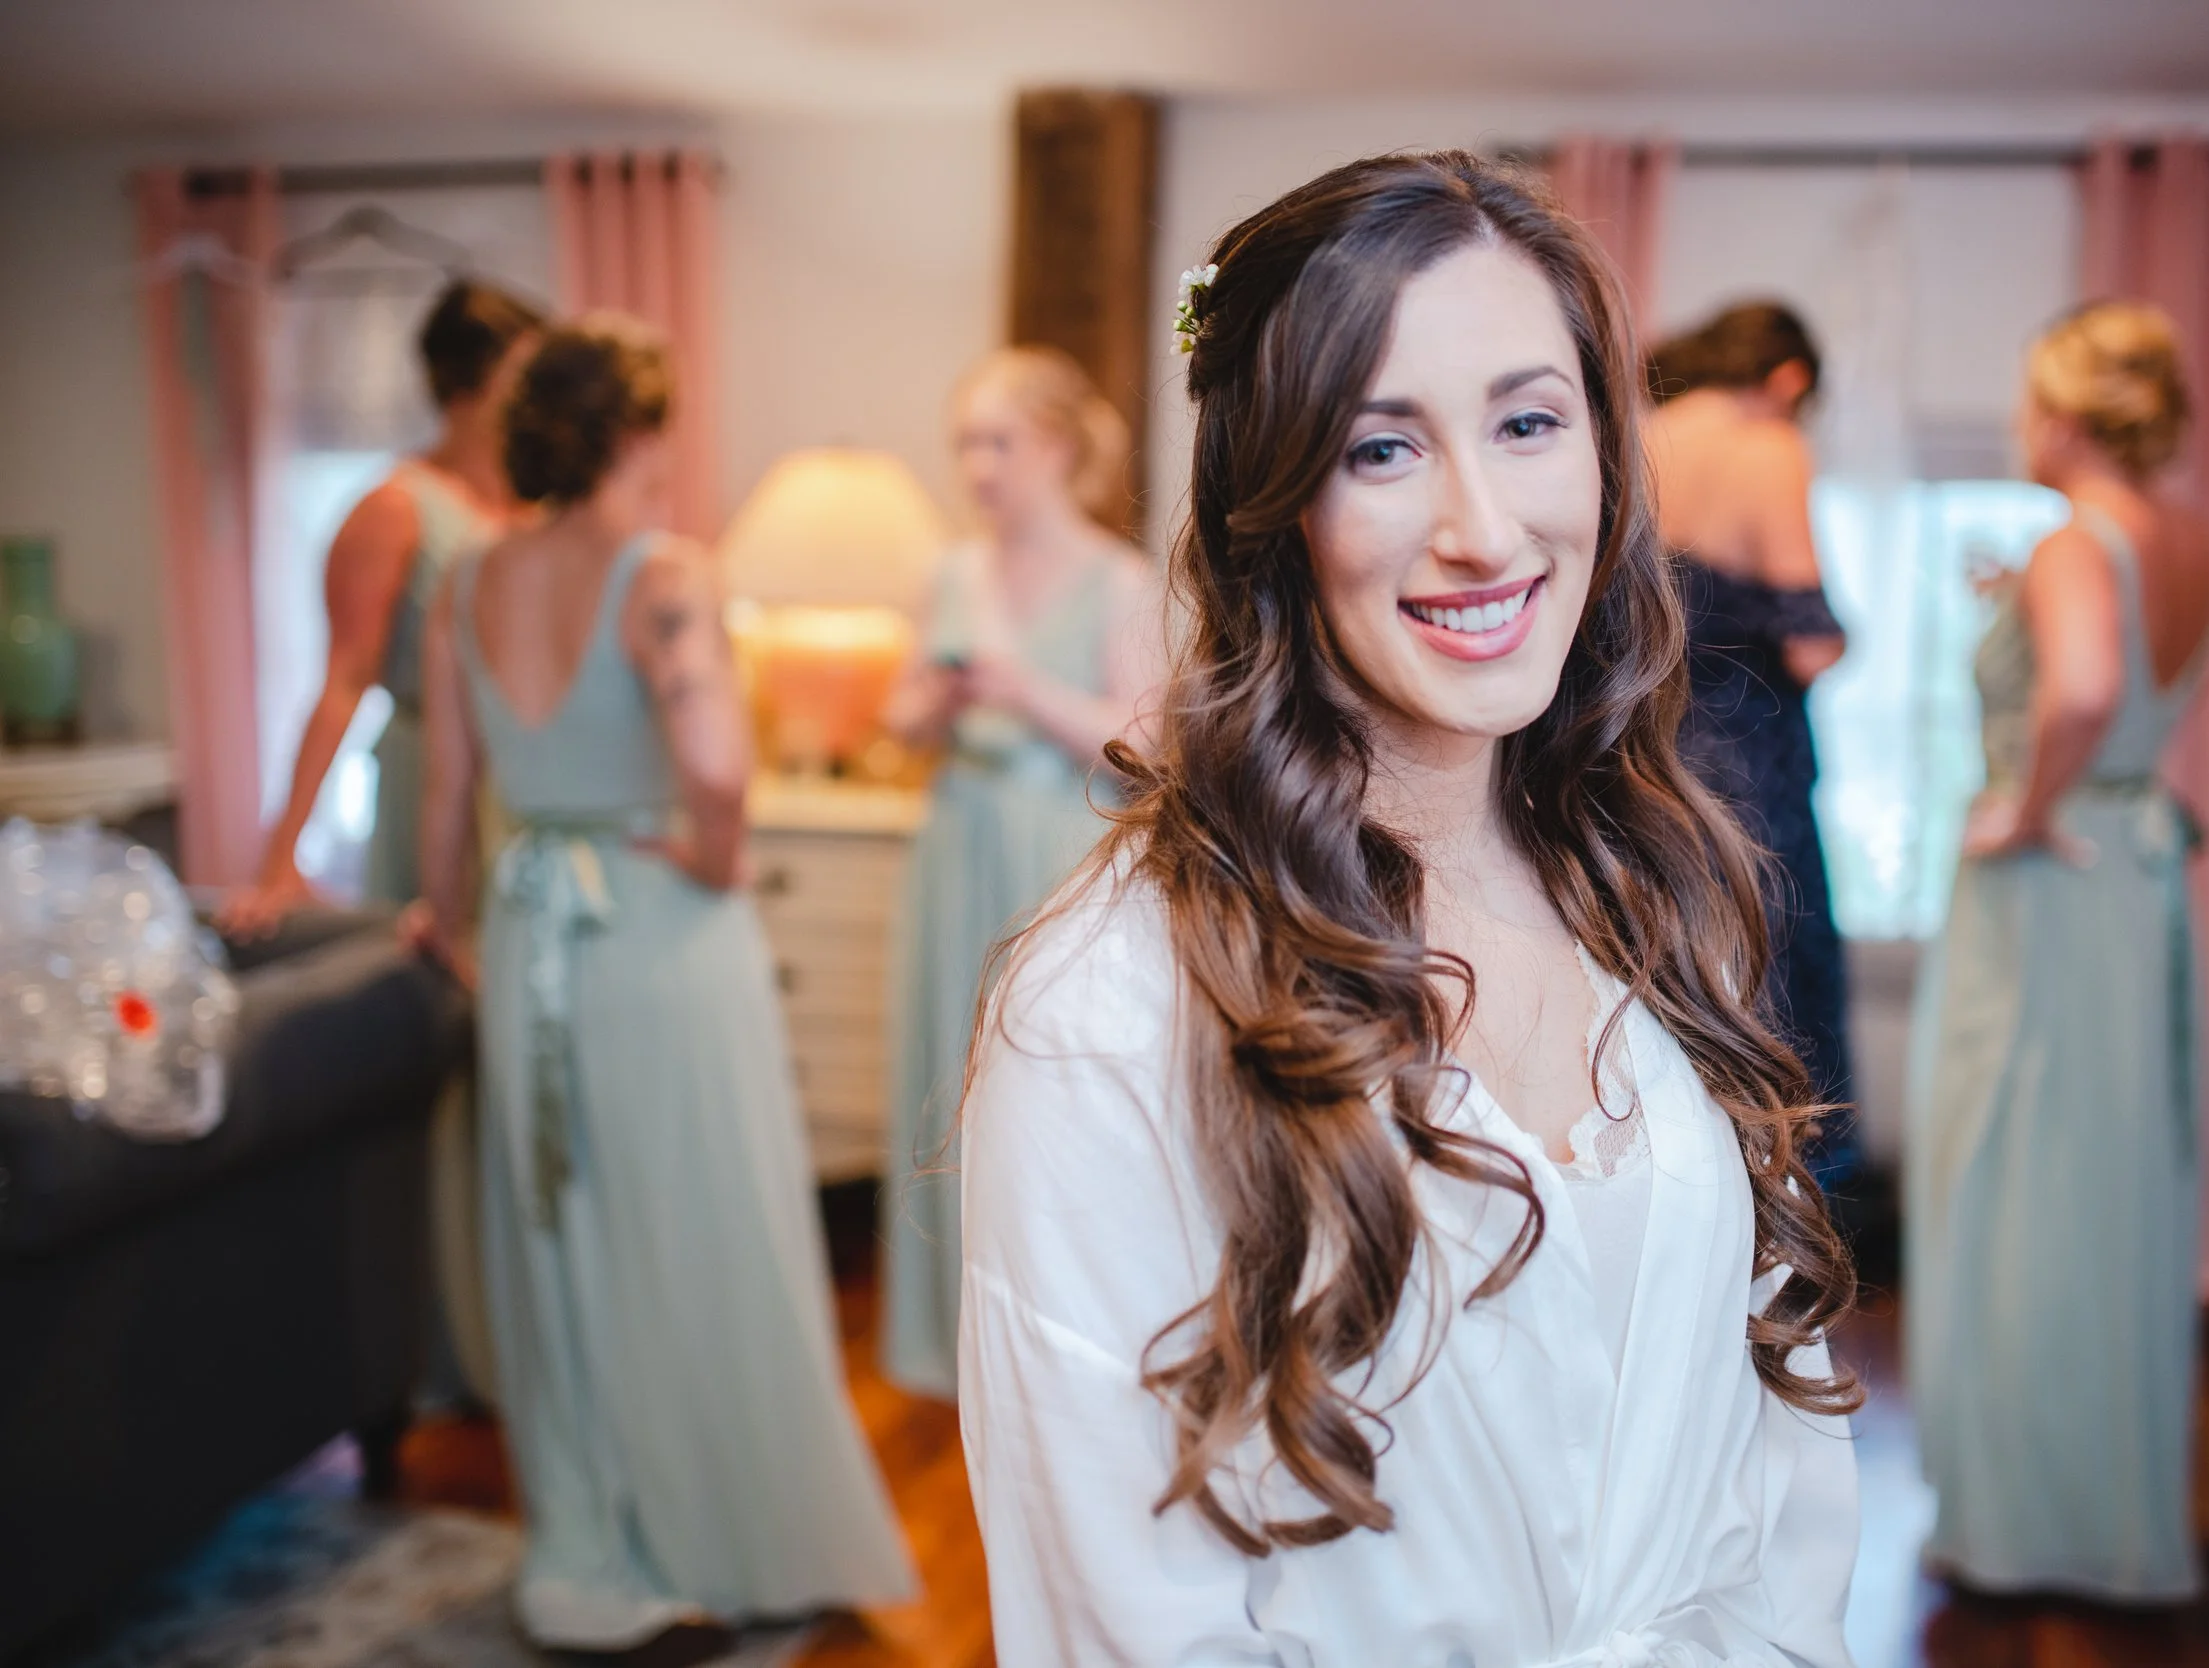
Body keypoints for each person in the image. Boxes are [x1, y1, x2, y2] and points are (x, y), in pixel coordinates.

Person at [957, 152, 1860, 1665]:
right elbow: (1123, 1620)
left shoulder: (1664, 887)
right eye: (1383, 449)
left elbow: (1780, 1468)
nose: (1485, 528)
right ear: (1272, 504)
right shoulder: (1107, 1011)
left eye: (1527, 422)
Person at [410, 317, 917, 1658]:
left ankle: (587, 1552)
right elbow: (717, 760)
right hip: (655, 929)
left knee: (562, 1238)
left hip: (530, 933)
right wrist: (718, 858)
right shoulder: (665, 576)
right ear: (637, 432)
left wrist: (456, 929)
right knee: (707, 1221)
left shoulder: (463, 583)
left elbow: (449, 791)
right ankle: (733, 1540)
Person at [1905, 301, 2209, 1602]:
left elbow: (2085, 688)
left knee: (2009, 1173)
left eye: (2036, 404)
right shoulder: (2189, 535)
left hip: (2051, 879)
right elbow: (2126, 682)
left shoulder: (2073, 546)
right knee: (2112, 1183)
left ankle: (2022, 1521)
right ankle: (2104, 1497)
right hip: (2138, 875)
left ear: (2071, 418)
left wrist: (2022, 813)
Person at [878, 345, 1160, 1401]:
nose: (978, 466)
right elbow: (897, 717)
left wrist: (1023, 687)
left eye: (997, 441)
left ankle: (1056, 1339)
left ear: (1052, 446)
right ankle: (948, 1336)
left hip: (1055, 850)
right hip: (955, 842)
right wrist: (939, 704)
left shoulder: (1117, 580)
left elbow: (1143, 748)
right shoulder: (948, 574)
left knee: (1044, 1083)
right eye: (966, 444)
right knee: (943, 1072)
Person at [222, 278, 544, 933]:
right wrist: (280, 861)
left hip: (525, 778)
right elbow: (344, 680)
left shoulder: (541, 511)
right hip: (426, 776)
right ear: (464, 386)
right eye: (524, 376)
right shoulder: (395, 510)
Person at [1640, 302, 1859, 1203]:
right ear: (1788, 380)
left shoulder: (1639, 432)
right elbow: (1809, 642)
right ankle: (1783, 1238)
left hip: (1641, 755)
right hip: (1744, 760)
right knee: (1772, 993)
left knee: (1670, 990)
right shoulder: (1766, 446)